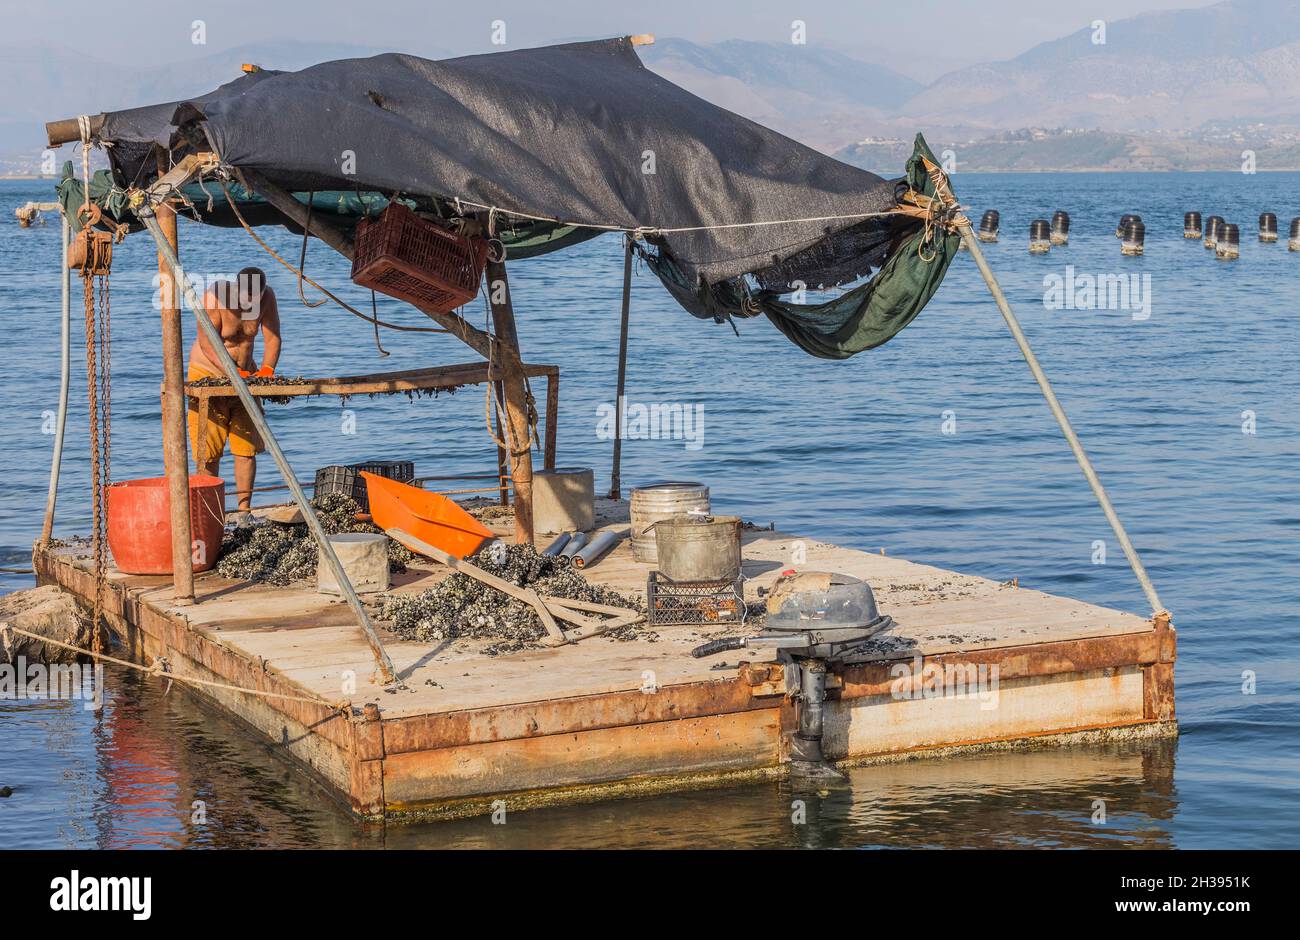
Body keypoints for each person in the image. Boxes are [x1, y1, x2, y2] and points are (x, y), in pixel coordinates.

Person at [186, 267, 281, 513]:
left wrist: (267, 368)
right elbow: (208, 343)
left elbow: (272, 338)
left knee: (246, 448)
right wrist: (231, 372)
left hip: (246, 376)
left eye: (255, 299)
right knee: (208, 452)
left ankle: (244, 511)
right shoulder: (215, 295)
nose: (250, 304)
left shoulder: (267, 297)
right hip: (208, 374)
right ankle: (208, 511)